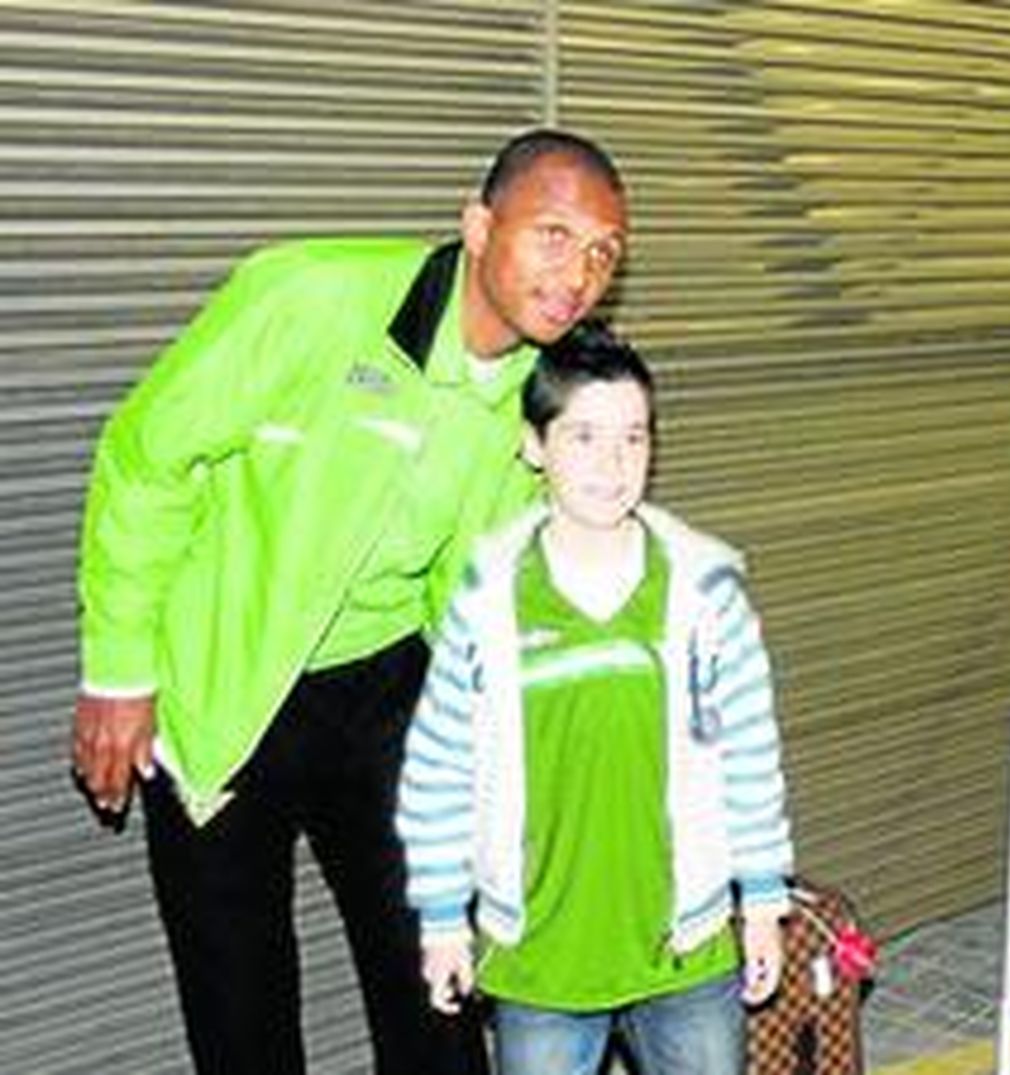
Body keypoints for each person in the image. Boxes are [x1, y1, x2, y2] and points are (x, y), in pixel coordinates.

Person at [71, 128, 629, 1075]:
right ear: (479, 226)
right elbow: (146, 459)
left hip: (386, 688)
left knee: (437, 981)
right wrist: (118, 672)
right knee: (241, 1009)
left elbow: (497, 582)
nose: (578, 274)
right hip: (228, 684)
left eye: (603, 253)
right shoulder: (310, 298)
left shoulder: (547, 393)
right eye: (554, 235)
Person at [396, 321, 793, 1075]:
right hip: (539, 956)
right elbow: (441, 768)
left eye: (633, 438)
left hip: (686, 947)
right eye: (583, 437)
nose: (612, 465)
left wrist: (764, 900)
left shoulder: (705, 588)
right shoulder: (486, 597)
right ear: (533, 444)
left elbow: (749, 753)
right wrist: (443, 919)